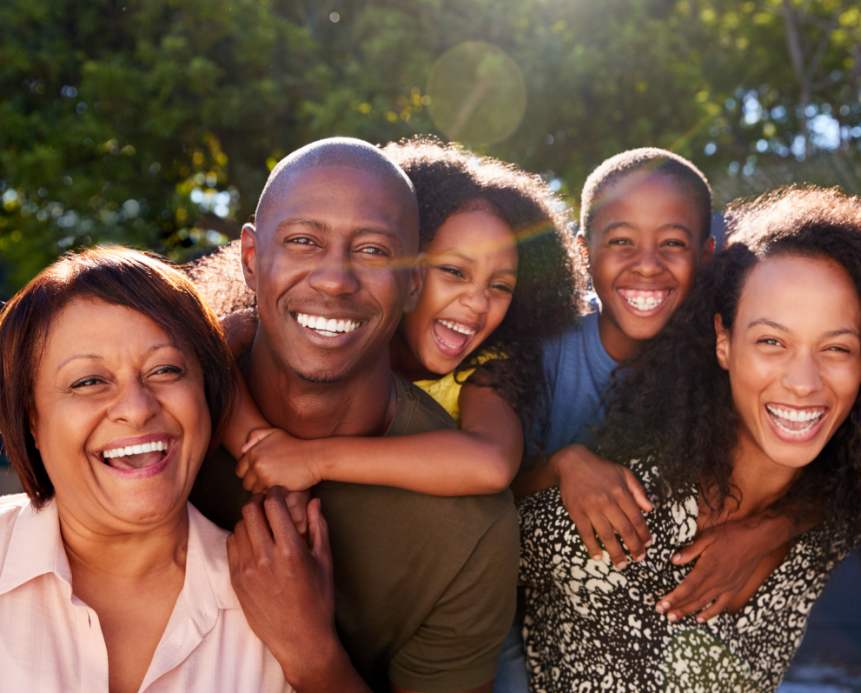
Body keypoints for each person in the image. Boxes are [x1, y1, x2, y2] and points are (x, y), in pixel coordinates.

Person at [518, 187, 861, 692]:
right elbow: (474, 542)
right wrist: (558, 466)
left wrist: (775, 526)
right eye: (772, 341)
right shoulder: (619, 514)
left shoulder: (836, 513)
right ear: (724, 342)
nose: (803, 380)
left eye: (837, 347)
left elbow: (855, 494)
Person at [187, 137, 520, 693]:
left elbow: (491, 462)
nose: (335, 278)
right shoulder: (162, 420)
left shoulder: (470, 529)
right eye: (302, 241)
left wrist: (311, 653)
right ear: (250, 259)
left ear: (412, 280)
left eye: (372, 251)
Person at [187, 138, 585, 500]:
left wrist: (312, 460)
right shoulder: (289, 327)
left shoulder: (481, 375)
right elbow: (207, 357)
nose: (478, 302)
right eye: (454, 272)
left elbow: (491, 463)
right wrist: (260, 446)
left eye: (500, 286)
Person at [0, 247, 302, 692]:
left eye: (165, 370)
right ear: (31, 419)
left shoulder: (283, 606)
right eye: (88, 382)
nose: (137, 409)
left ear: (207, 394)